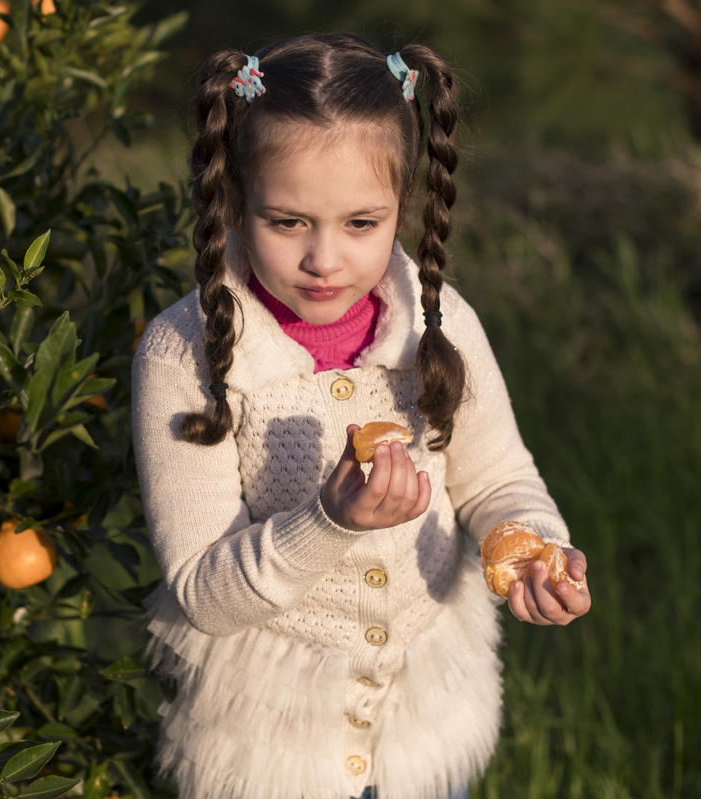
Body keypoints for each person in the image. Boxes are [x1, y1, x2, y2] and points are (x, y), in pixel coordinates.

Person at [130, 33, 592, 799]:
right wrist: (329, 522)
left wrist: (536, 547)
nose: (324, 258)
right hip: (271, 741)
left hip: (421, 719)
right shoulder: (187, 354)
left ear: (401, 207)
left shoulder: (439, 326)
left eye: (360, 223)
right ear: (234, 201)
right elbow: (203, 589)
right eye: (287, 222)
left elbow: (496, 477)